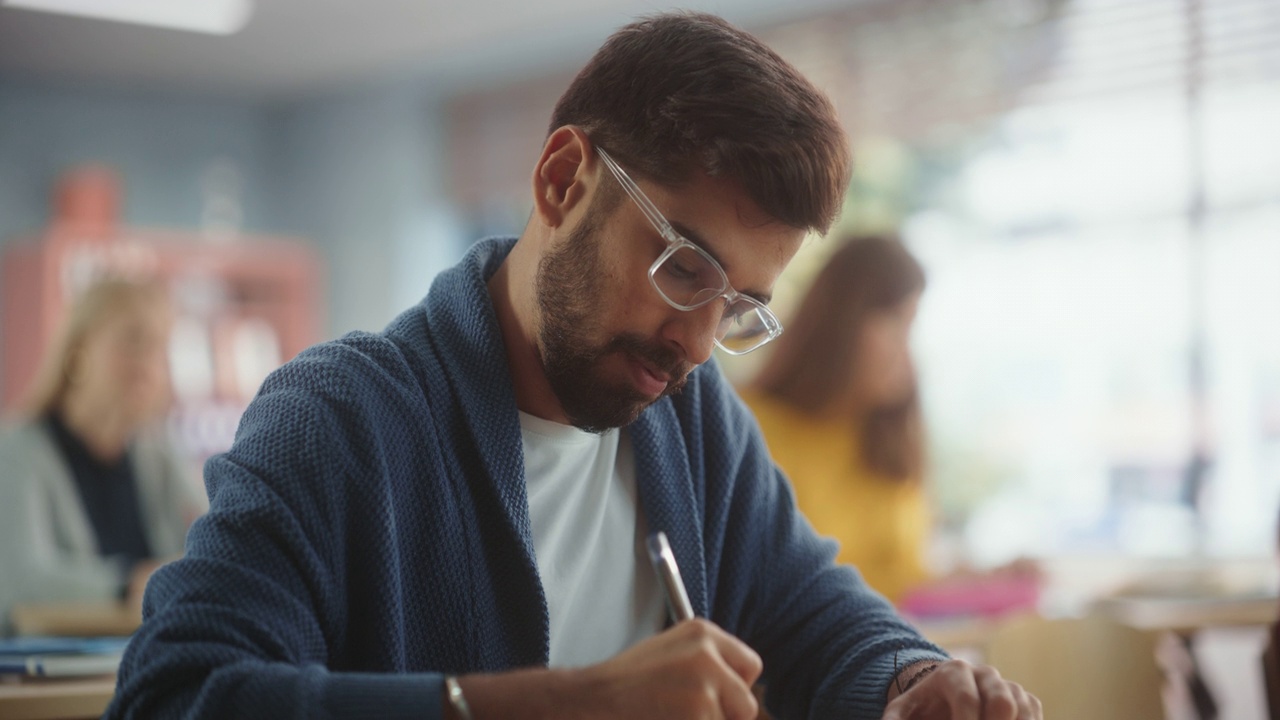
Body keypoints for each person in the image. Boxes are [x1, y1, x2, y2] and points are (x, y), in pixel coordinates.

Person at [107, 12, 1040, 720]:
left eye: (740, 306)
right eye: (685, 269)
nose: (698, 343)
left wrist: (915, 679)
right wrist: (564, 702)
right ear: (562, 181)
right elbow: (173, 694)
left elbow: (812, 610)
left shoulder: (694, 419)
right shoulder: (342, 418)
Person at [0, 278, 205, 629]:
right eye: (132, 340)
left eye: (158, 347)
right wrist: (127, 584)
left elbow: (212, 539)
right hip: (50, 671)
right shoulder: (18, 450)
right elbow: (20, 580)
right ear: (77, 352)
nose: (147, 363)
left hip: (149, 656)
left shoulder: (157, 452)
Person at [740, 235, 930, 605]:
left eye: (912, 328)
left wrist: (978, 581)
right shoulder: (749, 425)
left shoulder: (890, 442)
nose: (906, 350)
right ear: (845, 319)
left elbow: (909, 579)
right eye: (895, 321)